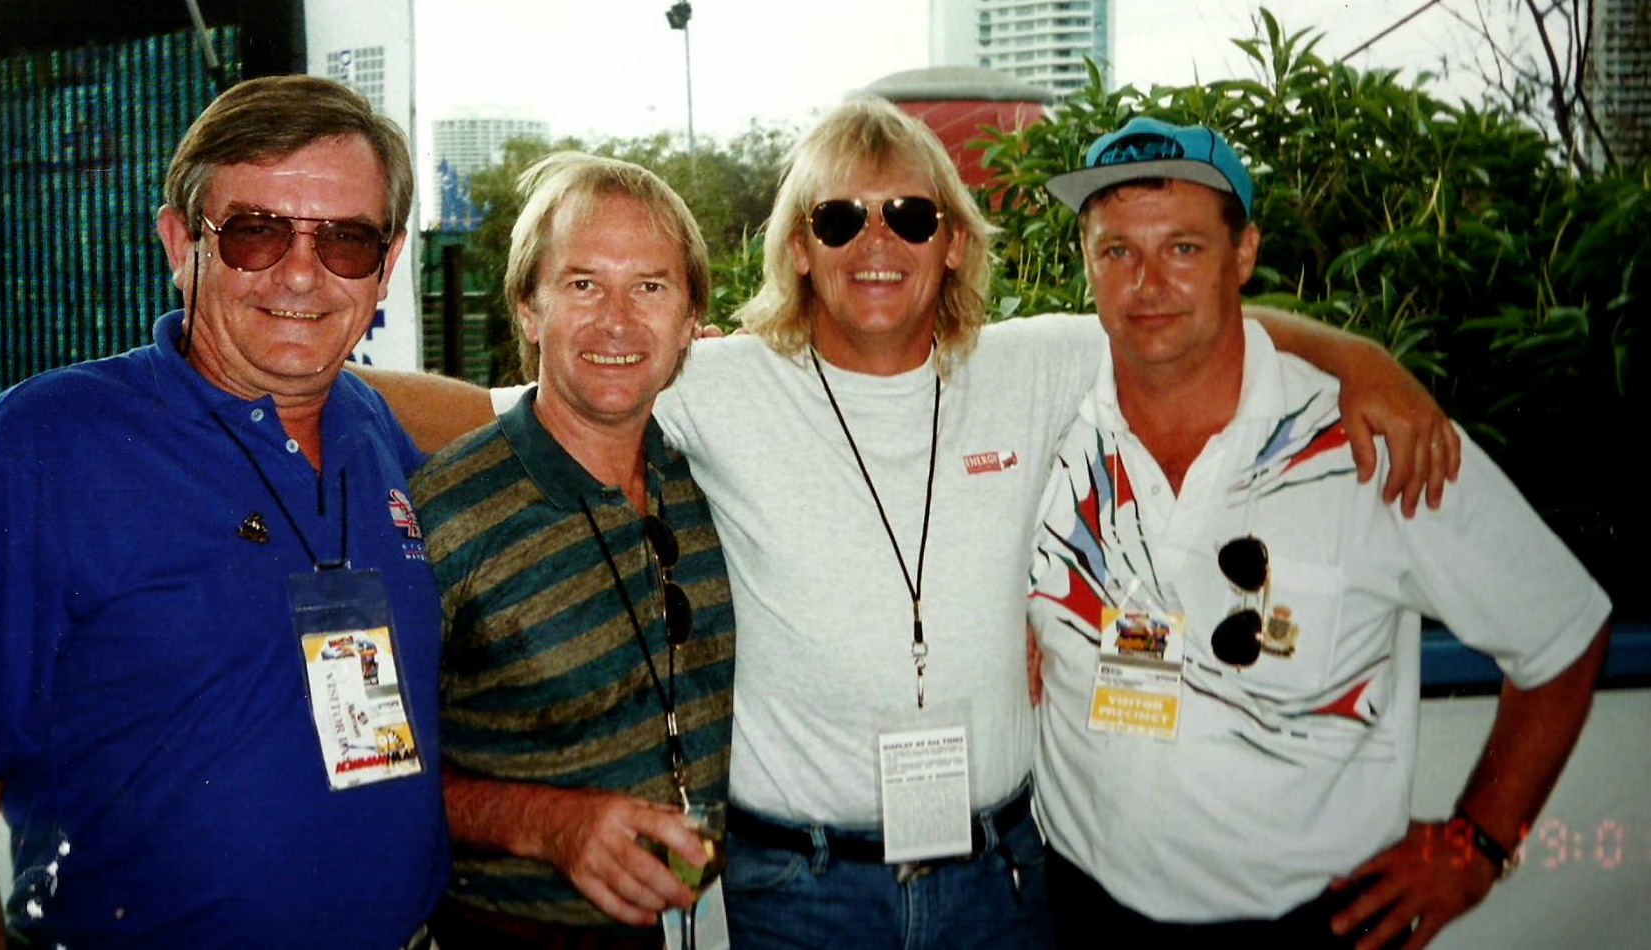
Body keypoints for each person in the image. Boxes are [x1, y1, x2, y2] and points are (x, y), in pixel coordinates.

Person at [362, 97, 1458, 949]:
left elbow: (1195, 326)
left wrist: (1362, 359)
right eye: (839, 215)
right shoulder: (714, 377)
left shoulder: (1036, 365)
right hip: (800, 884)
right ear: (798, 246)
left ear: (951, 244)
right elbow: (499, 407)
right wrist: (305, 403)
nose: (874, 240)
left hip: (1001, 869)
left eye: (910, 214)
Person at [1026, 116, 1612, 950]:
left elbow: (1563, 632)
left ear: (1245, 253)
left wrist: (1477, 844)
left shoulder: (1373, 441)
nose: (1147, 282)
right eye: (1117, 250)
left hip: (1308, 927)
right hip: (1079, 912)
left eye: (1184, 248)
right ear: (1086, 263)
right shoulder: (1051, 415)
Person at [0, 76, 448, 949]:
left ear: (386, 267)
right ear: (179, 241)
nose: (303, 273)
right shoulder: (46, 446)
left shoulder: (377, 432)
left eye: (347, 241)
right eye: (255, 233)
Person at [409, 153, 736, 949]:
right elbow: (357, 763)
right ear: (528, 309)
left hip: (712, 919)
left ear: (692, 319)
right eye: (583, 284)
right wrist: (547, 822)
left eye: (650, 287)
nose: (618, 321)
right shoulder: (441, 516)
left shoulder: (718, 478)